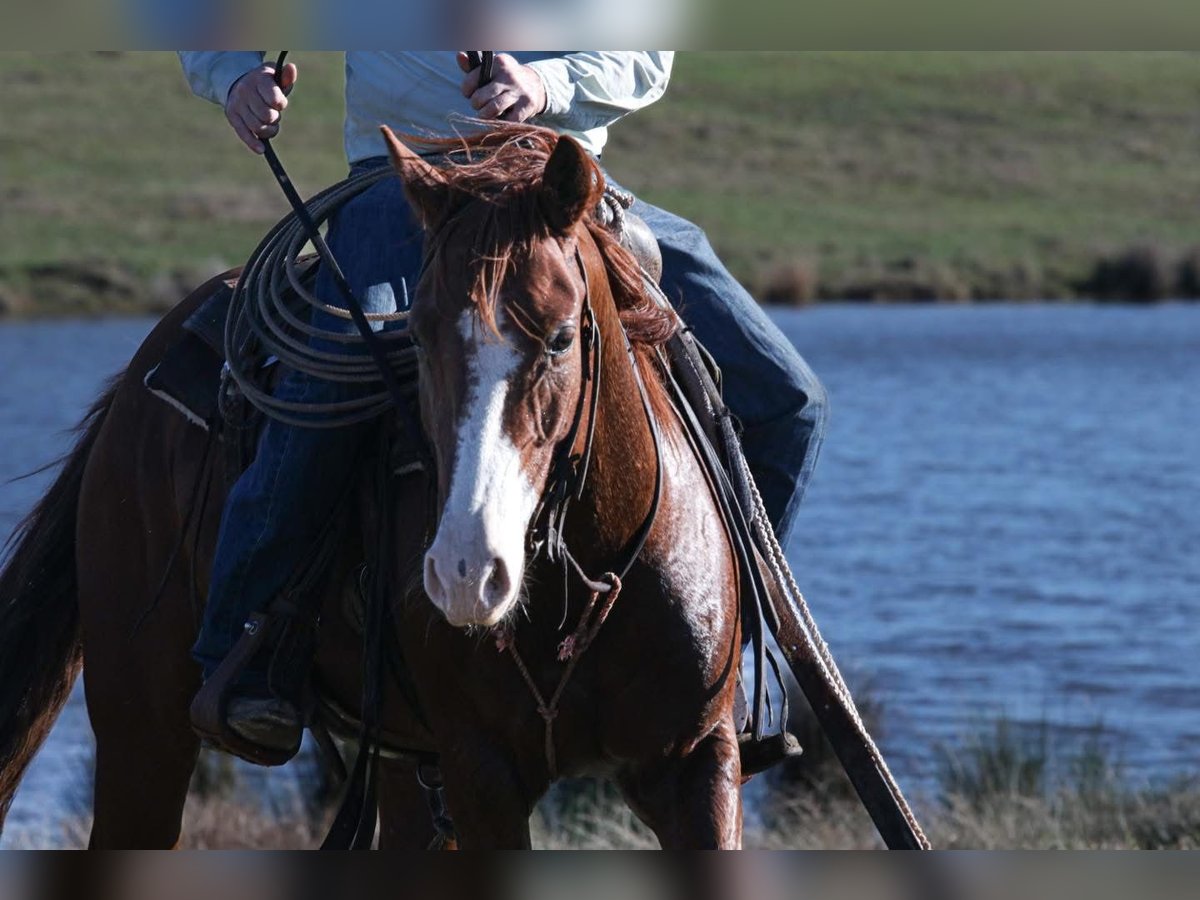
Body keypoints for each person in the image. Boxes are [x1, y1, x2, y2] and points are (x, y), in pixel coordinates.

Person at [178, 51, 828, 755]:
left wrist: (547, 85)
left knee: (789, 399)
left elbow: (643, 53)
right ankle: (245, 656)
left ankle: (727, 658)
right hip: (405, 188)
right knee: (325, 387)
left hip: (558, 183)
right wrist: (235, 74)